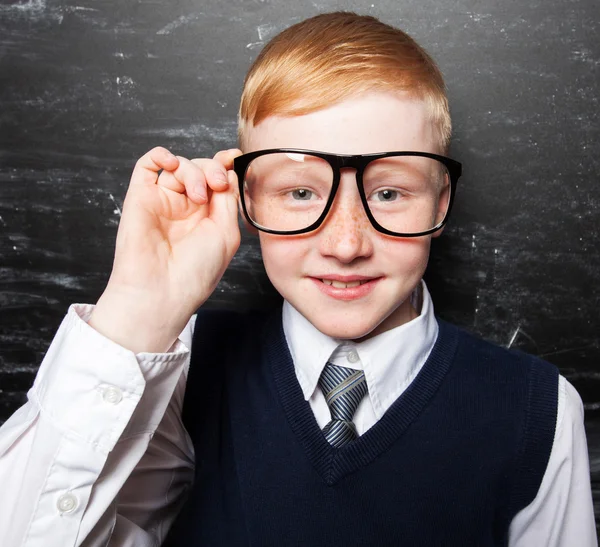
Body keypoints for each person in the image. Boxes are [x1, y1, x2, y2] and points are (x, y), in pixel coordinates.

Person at [0, 11, 596, 547]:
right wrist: (137, 309)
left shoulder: (536, 410)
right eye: (301, 192)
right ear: (245, 195)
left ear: (441, 203)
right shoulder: (174, 373)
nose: (345, 245)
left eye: (389, 192)